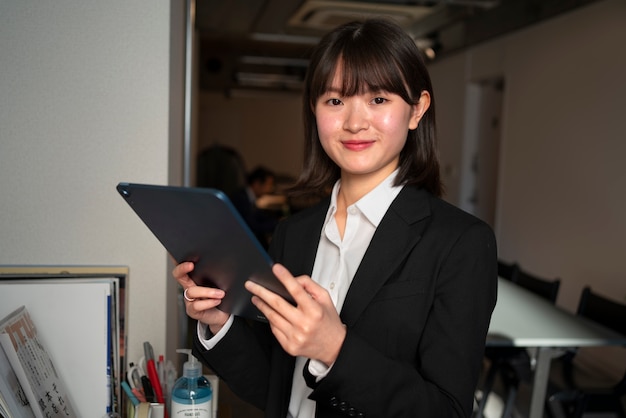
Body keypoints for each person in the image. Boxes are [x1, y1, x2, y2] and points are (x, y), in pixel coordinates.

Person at [174, 18, 497, 418]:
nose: (354, 122)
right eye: (335, 101)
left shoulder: (460, 242)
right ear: (314, 110)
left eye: (378, 100)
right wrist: (219, 320)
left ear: (417, 110)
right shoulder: (295, 233)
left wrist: (334, 349)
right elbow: (277, 387)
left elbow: (446, 411)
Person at [230, 166, 283, 249]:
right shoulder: (241, 198)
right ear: (257, 183)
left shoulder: (248, 197)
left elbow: (259, 215)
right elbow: (252, 226)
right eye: (268, 184)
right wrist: (277, 224)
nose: (270, 188)